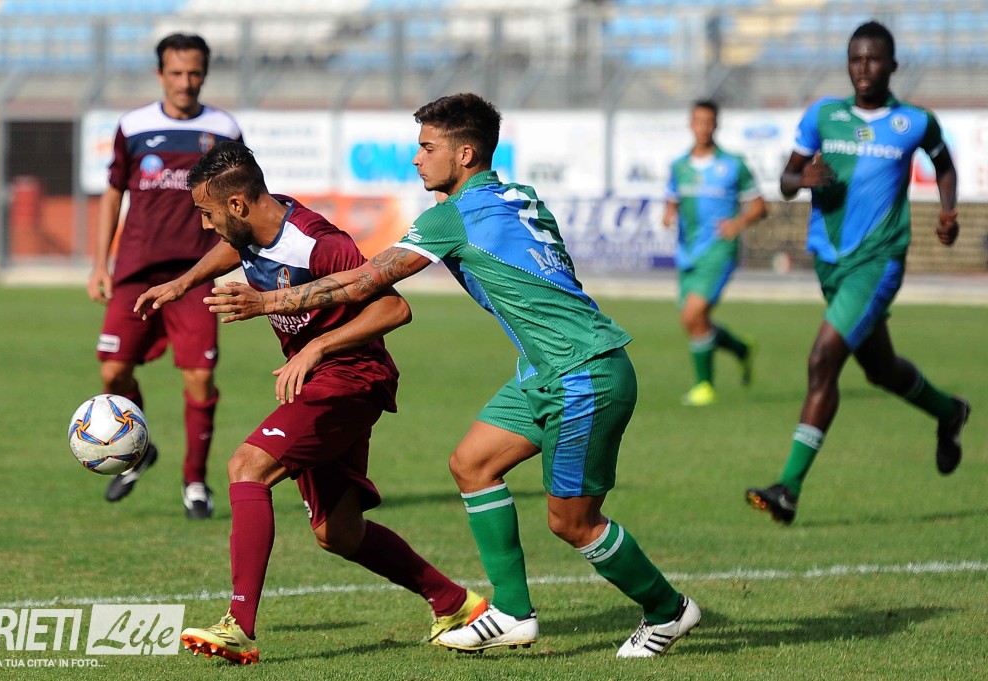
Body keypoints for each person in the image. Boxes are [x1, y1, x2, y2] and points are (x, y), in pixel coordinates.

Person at [190, 93, 701, 658]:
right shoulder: (519, 197)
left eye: (427, 147)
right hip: (545, 369)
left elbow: (366, 283)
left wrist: (266, 303)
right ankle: (512, 613)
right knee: (472, 464)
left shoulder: (451, 217)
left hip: (582, 372)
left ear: (464, 154)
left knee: (573, 523)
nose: (417, 159)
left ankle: (667, 610)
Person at [133, 141, 487, 665]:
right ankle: (456, 605)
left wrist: (317, 347)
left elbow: (394, 309)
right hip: (318, 382)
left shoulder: (320, 244)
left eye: (207, 213)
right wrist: (183, 282)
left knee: (246, 467)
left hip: (350, 378)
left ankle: (238, 626)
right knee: (337, 533)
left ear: (236, 205)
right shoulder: (254, 224)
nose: (205, 225)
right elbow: (238, 248)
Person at [745, 21, 970, 525]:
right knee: (880, 369)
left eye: (873, 59)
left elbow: (944, 164)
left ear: (893, 65)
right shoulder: (824, 115)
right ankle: (949, 412)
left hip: (879, 261)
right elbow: (785, 180)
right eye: (855, 59)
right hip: (830, 262)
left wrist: (948, 212)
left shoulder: (914, 122)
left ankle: (788, 489)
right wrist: (802, 177)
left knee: (822, 359)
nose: (863, 68)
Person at [86, 33, 243, 519]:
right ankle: (139, 448)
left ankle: (194, 481)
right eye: (176, 73)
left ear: (205, 74)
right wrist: (100, 264)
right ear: (160, 75)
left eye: (194, 73)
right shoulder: (133, 126)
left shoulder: (223, 129)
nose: (185, 82)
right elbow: (113, 192)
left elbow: (240, 200)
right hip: (136, 271)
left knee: (199, 376)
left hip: (194, 274)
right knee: (112, 372)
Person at [662, 100, 767, 406]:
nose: (703, 127)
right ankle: (741, 349)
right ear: (690, 124)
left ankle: (705, 386)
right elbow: (671, 201)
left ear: (716, 125)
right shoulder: (679, 166)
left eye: (709, 122)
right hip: (688, 252)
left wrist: (738, 223)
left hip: (720, 249)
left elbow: (760, 206)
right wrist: (668, 214)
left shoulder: (734, 164)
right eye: (698, 121)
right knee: (696, 322)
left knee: (692, 315)